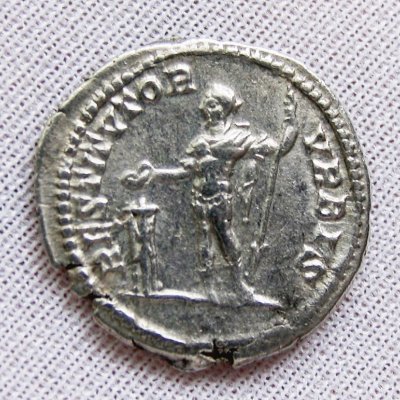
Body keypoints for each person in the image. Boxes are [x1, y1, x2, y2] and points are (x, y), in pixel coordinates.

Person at [122, 83, 298, 302]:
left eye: (211, 104)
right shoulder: (199, 142)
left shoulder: (239, 138)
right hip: (199, 196)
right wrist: (154, 174)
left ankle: (238, 284)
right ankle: (208, 288)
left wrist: (290, 123)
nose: (203, 108)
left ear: (223, 109)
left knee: (226, 236)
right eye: (206, 104)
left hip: (220, 196)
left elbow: (277, 148)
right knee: (204, 238)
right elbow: (183, 172)